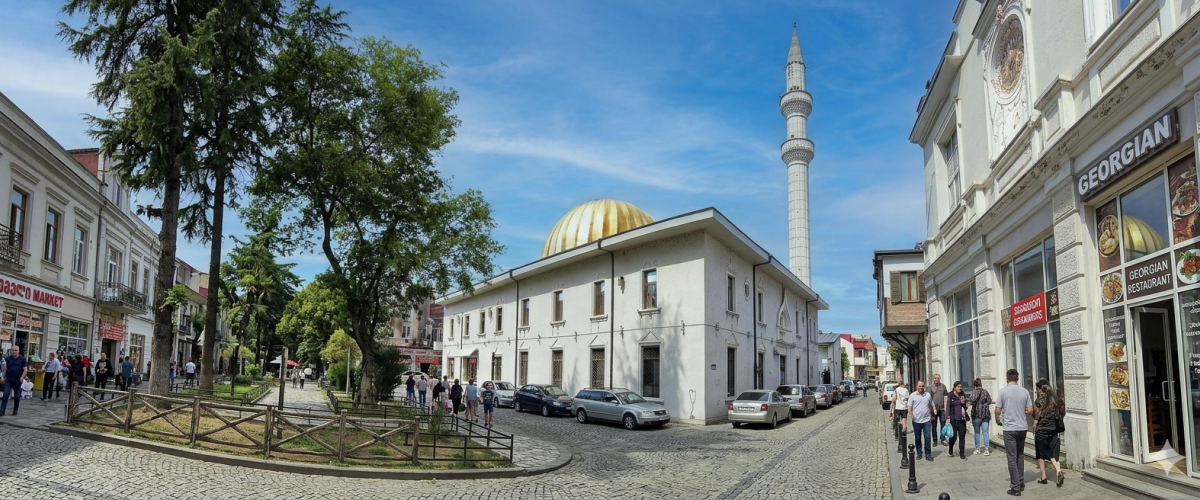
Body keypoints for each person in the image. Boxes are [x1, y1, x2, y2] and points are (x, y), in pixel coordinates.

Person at [996, 368, 1034, 496]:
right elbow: (1030, 410)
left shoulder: (1003, 392)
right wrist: (1021, 411)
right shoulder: (1025, 391)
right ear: (1017, 378)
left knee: (1011, 458)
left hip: (1009, 429)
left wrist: (998, 420)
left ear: (1007, 378)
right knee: (1020, 455)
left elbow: (997, 410)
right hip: (1022, 427)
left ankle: (1015, 487)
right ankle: (1021, 481)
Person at [1034, 382, 1065, 487]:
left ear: (1040, 390)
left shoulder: (1039, 401)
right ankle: (1058, 471)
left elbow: (1036, 414)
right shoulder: (1054, 401)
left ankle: (1044, 477)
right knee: (1052, 451)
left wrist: (1035, 422)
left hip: (1041, 430)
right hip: (1053, 430)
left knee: (1041, 453)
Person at [908, 380, 934, 461]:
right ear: (917, 386)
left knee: (927, 437)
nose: (921, 387)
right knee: (918, 438)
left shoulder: (928, 395)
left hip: (926, 420)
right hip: (916, 420)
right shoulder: (912, 395)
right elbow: (909, 407)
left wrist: (931, 415)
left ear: (924, 386)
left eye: (922, 386)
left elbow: (931, 405)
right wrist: (911, 415)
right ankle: (919, 453)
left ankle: (928, 454)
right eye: (919, 386)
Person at [0, 345, 29, 416]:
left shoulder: (22, 359)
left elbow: (25, 370)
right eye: (13, 350)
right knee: (5, 395)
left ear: (18, 351)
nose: (14, 352)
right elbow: (5, 369)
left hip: (18, 380)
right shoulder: (8, 359)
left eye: (16, 350)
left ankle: (15, 409)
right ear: (11, 351)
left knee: (17, 396)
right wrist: (3, 377)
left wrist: (22, 377)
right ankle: (2, 410)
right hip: (9, 380)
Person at [968, 378, 993, 456]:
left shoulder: (973, 393)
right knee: (985, 432)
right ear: (981, 384)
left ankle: (977, 448)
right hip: (985, 414)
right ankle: (986, 449)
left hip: (976, 414)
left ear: (974, 385)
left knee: (977, 432)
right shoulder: (985, 392)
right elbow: (989, 401)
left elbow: (971, 402)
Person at [945, 381, 969, 459]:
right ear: (954, 387)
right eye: (958, 387)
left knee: (962, 436)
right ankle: (950, 450)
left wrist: (966, 404)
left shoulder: (962, 395)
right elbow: (948, 406)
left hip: (962, 418)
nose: (960, 388)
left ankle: (962, 453)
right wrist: (947, 417)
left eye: (961, 387)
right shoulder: (950, 395)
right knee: (953, 436)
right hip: (953, 418)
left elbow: (965, 405)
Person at [929, 373, 948, 447]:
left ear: (940, 379)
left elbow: (946, 397)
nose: (936, 379)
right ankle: (935, 440)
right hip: (934, 410)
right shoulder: (930, 387)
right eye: (935, 378)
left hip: (942, 409)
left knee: (943, 424)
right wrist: (930, 409)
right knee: (934, 425)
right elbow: (928, 399)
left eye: (938, 378)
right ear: (933, 379)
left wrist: (946, 408)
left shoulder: (943, 386)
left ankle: (943, 438)